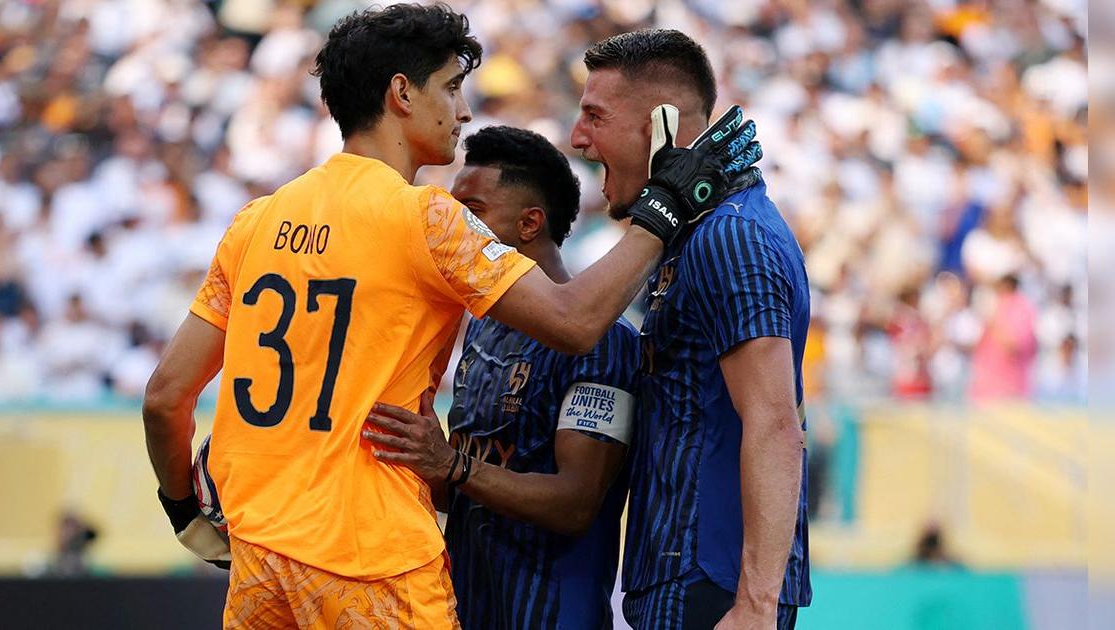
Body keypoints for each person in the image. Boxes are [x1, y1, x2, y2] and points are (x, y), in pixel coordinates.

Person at [141, 5, 758, 628]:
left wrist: (183, 510)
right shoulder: (426, 218)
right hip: (372, 558)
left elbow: (167, 396)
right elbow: (574, 322)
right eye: (451, 87)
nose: (462, 111)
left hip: (259, 560)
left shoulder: (255, 221)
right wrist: (670, 203)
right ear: (402, 93)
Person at [569, 29, 813, 628]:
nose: (578, 138)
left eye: (596, 117)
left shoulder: (731, 235)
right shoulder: (696, 233)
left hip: (713, 588)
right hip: (684, 577)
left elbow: (777, 422)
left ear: (664, 128)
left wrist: (755, 604)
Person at [364, 125, 638, 629]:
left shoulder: (604, 341)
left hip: (554, 613)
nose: (453, 225)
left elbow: (576, 503)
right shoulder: (483, 327)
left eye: (472, 212)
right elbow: (462, 488)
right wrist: (415, 456)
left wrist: (450, 464)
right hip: (465, 608)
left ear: (530, 223)